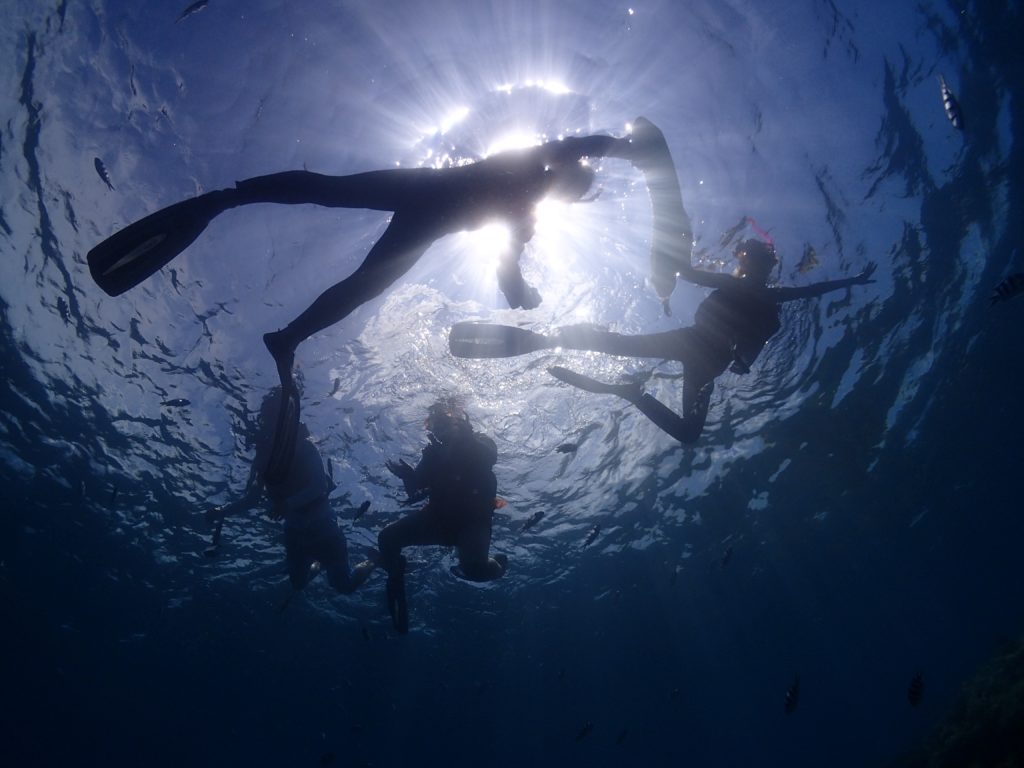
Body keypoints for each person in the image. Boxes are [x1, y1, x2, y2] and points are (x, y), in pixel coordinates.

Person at [87, 128, 644, 397]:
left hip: (423, 219)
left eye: (575, 187)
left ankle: (288, 338)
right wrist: (620, 146)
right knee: (327, 193)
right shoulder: (535, 161)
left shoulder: (528, 214)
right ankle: (232, 197)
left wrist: (517, 290)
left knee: (361, 287)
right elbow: (573, 145)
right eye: (576, 181)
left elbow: (506, 258)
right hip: (421, 191)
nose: (569, 186)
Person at [450, 238, 876, 443]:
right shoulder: (748, 288)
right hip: (697, 350)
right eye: (752, 261)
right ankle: (548, 341)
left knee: (689, 434)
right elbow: (689, 274)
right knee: (615, 345)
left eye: (759, 263)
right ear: (751, 265)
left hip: (704, 361)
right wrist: (668, 254)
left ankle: (629, 393)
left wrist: (852, 280)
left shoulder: (768, 296)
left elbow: (808, 293)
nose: (755, 269)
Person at [207, 389, 376, 595]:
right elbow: (252, 499)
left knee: (344, 586)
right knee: (298, 583)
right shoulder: (262, 458)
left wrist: (287, 504)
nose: (269, 424)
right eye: (267, 419)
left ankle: (372, 563)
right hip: (294, 532)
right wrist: (222, 511)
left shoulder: (305, 448)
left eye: (272, 418)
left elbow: (319, 486)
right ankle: (320, 564)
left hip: (323, 526)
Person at [377, 399, 507, 634]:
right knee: (387, 538)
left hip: (472, 522)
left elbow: (491, 458)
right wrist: (407, 476)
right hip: (437, 519)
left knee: (474, 569)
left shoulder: (480, 442)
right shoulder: (431, 454)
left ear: (459, 422)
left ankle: (497, 563)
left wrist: (466, 441)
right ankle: (396, 575)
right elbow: (416, 491)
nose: (441, 431)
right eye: (436, 427)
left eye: (446, 425)